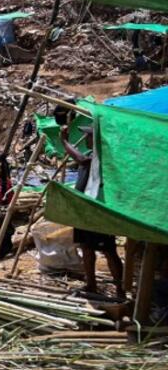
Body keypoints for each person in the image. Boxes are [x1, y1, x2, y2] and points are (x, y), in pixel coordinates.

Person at [60, 121, 125, 299]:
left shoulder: (102, 158)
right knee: (86, 248)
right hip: (85, 211)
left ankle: (120, 289)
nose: (86, 138)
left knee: (109, 250)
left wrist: (65, 142)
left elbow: (81, 160)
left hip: (98, 211)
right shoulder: (91, 154)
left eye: (89, 135)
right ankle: (91, 284)